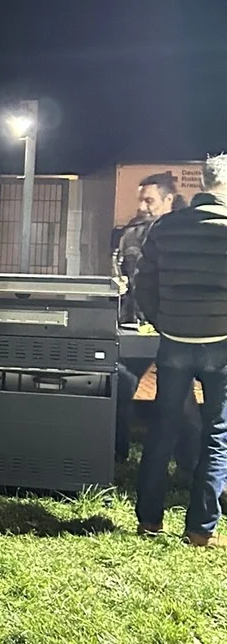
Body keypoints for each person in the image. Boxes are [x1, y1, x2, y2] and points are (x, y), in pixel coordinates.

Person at [134, 152, 227, 548]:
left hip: (174, 341)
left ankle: (149, 521)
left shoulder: (166, 228)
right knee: (217, 433)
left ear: (203, 182)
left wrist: (164, 322)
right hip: (221, 343)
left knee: (162, 429)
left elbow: (144, 283)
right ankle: (200, 530)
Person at [116, 172, 198, 467]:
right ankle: (116, 456)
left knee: (183, 403)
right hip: (136, 326)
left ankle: (188, 466)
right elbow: (124, 278)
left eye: (149, 200)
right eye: (140, 200)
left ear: (169, 200)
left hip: (175, 328)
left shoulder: (186, 236)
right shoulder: (131, 235)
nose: (142, 206)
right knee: (120, 385)